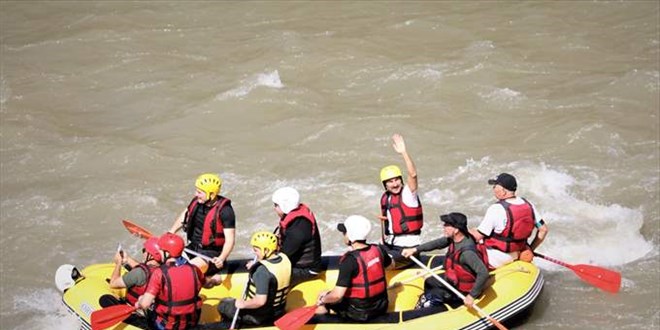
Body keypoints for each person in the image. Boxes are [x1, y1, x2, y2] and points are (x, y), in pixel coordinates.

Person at [402, 213, 490, 311]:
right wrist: (415, 249)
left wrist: (471, 296)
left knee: (434, 295)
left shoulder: (467, 253)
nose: (444, 226)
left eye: (447, 225)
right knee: (429, 281)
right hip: (454, 281)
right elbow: (438, 243)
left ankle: (433, 307)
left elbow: (483, 273)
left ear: (456, 230)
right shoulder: (456, 239)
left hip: (462, 291)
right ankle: (431, 300)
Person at [316, 215, 392, 322]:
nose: (344, 235)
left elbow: (337, 296)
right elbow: (391, 264)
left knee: (322, 298)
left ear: (350, 236)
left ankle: (321, 322)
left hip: (358, 312)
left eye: (344, 232)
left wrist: (323, 299)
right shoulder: (379, 250)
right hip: (381, 306)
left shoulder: (349, 260)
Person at [469, 173, 549, 268]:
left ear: (502, 190)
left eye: (495, 186)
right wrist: (530, 249)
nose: (493, 189)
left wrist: (463, 231)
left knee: (464, 245)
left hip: (497, 258)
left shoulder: (496, 209)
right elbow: (543, 229)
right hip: (518, 254)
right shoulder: (528, 205)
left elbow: (477, 236)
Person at [168, 173, 235, 285]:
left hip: (211, 254)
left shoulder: (226, 211)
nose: (196, 194)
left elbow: (230, 240)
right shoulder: (197, 202)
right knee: (168, 263)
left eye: (199, 192)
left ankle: (209, 279)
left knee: (185, 272)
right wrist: (171, 231)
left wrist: (222, 258)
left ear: (211, 194)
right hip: (193, 248)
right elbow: (186, 214)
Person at [217, 231, 291, 327]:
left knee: (223, 305)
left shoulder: (262, 272)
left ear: (266, 250)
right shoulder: (285, 259)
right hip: (279, 310)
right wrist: (257, 263)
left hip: (260, 316)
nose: (254, 253)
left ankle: (228, 325)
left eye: (256, 250)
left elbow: (260, 301)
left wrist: (243, 304)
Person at [136, 233, 204, 330]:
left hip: (167, 326)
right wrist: (214, 280)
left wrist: (139, 302)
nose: (158, 252)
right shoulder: (194, 269)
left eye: (160, 250)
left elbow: (145, 304)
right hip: (191, 323)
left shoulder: (159, 273)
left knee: (146, 310)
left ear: (167, 253)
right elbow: (206, 283)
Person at [378, 134, 424, 267]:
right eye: (390, 182)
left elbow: (413, 174)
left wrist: (403, 152)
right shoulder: (386, 197)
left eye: (397, 180)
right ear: (385, 185)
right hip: (390, 244)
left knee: (379, 263)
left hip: (408, 249)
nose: (395, 184)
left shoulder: (408, 195)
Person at [271, 187, 322, 286]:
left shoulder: (298, 228)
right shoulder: (296, 220)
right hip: (298, 265)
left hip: (307, 270)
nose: (274, 208)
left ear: (285, 206)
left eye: (276, 205)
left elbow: (284, 255)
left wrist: (260, 264)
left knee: (268, 275)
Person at [109, 237, 163, 306]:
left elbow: (113, 284)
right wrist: (127, 259)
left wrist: (118, 263)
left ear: (151, 256)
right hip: (152, 308)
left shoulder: (139, 273)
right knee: (128, 267)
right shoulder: (163, 269)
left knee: (105, 299)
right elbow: (146, 270)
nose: (143, 253)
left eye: (144, 250)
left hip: (134, 307)